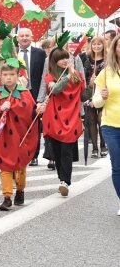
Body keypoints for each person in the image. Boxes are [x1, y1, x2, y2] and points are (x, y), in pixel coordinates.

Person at [0, 39, 38, 211]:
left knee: (20, 167)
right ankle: (7, 196)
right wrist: (0, 108)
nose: (8, 78)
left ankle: (20, 190)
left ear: (17, 76)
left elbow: (32, 112)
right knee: (5, 166)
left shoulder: (25, 93)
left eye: (11, 75)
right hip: (3, 136)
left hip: (21, 136)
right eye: (5, 75)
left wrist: (39, 110)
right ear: (1, 77)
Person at [39, 45, 84, 197]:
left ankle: (65, 181)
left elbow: (83, 93)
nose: (65, 60)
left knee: (66, 151)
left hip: (71, 117)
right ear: (54, 61)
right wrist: (68, 76)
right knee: (57, 151)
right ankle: (61, 178)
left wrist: (90, 83)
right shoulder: (50, 76)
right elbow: (56, 89)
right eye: (61, 59)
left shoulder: (75, 74)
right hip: (54, 118)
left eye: (66, 57)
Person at [90, 34, 120, 216]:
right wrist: (102, 96)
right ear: (114, 49)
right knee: (117, 165)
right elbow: (96, 102)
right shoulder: (106, 73)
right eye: (119, 46)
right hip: (111, 125)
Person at [17, 27, 46, 166]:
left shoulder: (40, 53)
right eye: (21, 35)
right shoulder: (12, 53)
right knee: (18, 124)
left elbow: (43, 75)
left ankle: (34, 155)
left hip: (34, 94)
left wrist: (42, 97)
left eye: (27, 35)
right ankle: (19, 152)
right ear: (17, 38)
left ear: (32, 37)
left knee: (35, 126)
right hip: (17, 94)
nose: (24, 38)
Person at [80, 36, 107, 158]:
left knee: (101, 120)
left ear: (103, 45)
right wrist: (90, 83)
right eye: (94, 44)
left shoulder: (107, 60)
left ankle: (103, 145)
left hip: (103, 94)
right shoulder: (86, 59)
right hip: (89, 93)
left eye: (99, 44)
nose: (96, 46)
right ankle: (95, 148)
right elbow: (82, 77)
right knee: (91, 121)